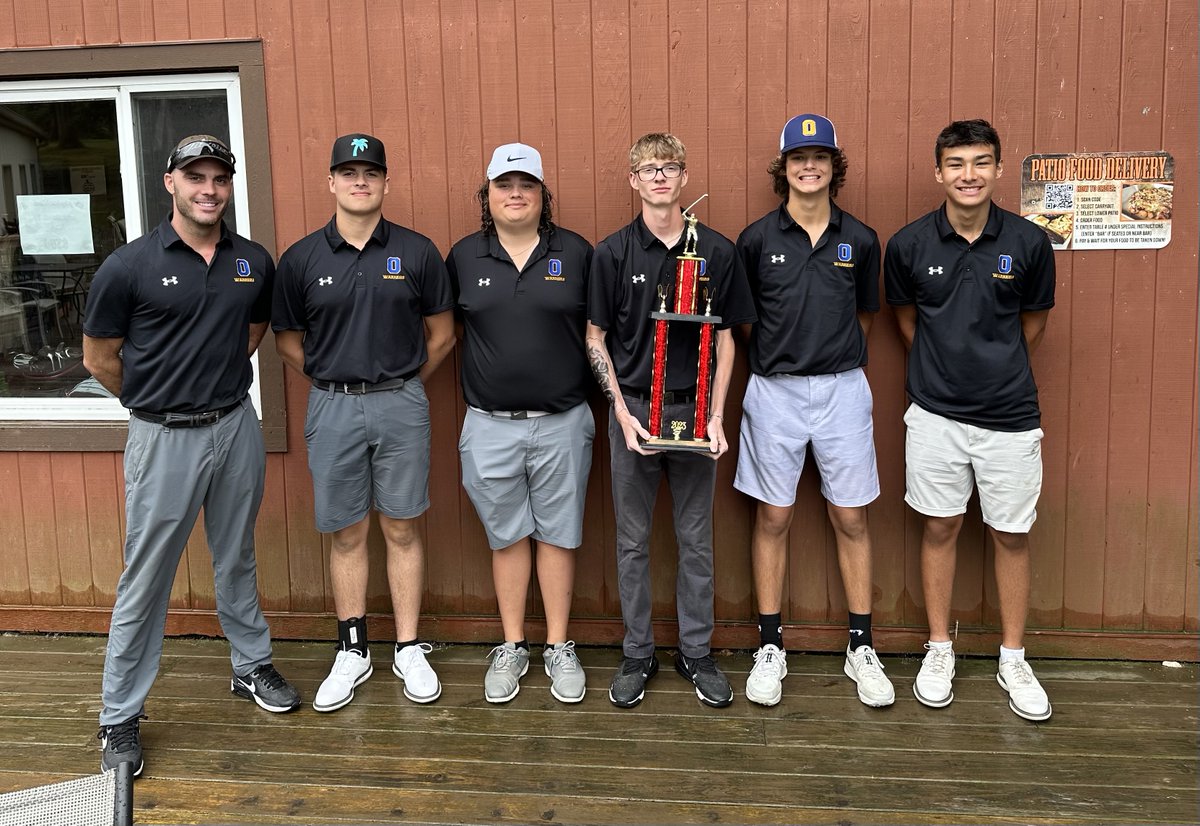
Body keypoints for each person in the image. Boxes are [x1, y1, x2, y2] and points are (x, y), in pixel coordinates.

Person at [84, 134, 300, 777]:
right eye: (195, 177)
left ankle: (250, 666)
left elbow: (253, 330)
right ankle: (119, 716)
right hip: (163, 436)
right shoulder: (130, 266)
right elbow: (100, 358)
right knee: (146, 575)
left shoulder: (252, 260)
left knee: (235, 553)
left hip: (235, 427)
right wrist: (158, 402)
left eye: (219, 178)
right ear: (169, 183)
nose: (209, 189)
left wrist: (214, 385)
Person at [272, 134, 455, 712]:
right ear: (330, 181)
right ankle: (354, 650)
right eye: (348, 172)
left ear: (384, 182)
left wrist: (398, 385)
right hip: (332, 404)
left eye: (370, 172)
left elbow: (443, 335)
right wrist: (335, 380)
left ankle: (407, 646)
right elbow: (287, 339)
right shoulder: (302, 258)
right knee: (347, 531)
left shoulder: (418, 252)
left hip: (402, 400)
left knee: (402, 526)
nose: (359, 181)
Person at [884, 119, 1055, 721]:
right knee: (940, 528)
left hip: (1010, 414)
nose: (969, 175)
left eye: (981, 163)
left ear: (998, 170)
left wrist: (991, 370)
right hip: (935, 413)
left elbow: (1032, 326)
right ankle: (939, 648)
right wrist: (945, 373)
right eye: (956, 164)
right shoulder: (907, 245)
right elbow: (907, 323)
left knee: (1011, 533)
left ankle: (1013, 656)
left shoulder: (1030, 243)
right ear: (938, 172)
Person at [586, 133, 756, 708]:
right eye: (648, 169)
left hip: (692, 410)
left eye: (670, 167)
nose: (659, 177)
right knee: (632, 541)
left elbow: (728, 337)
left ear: (684, 177)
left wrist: (715, 414)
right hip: (634, 409)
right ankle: (637, 653)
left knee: (696, 540)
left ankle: (696, 652)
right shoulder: (610, 253)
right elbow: (596, 338)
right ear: (633, 180)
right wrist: (620, 412)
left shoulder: (716, 250)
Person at [734, 114, 894, 708]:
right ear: (783, 167)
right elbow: (746, 323)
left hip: (842, 390)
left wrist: (827, 358)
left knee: (850, 516)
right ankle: (770, 645)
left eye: (820, 156)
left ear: (834, 165)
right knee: (774, 516)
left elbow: (866, 316)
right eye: (799, 157)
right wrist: (784, 359)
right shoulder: (756, 239)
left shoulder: (862, 237)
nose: (809, 166)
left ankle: (860, 646)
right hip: (773, 390)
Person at [446, 143, 595, 704]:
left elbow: (597, 334)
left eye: (526, 184)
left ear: (542, 194)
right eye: (504, 185)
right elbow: (446, 331)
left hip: (563, 420)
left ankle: (558, 645)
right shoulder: (463, 256)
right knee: (506, 535)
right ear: (488, 194)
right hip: (489, 423)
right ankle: (513, 645)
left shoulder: (577, 253)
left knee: (558, 532)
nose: (516, 194)